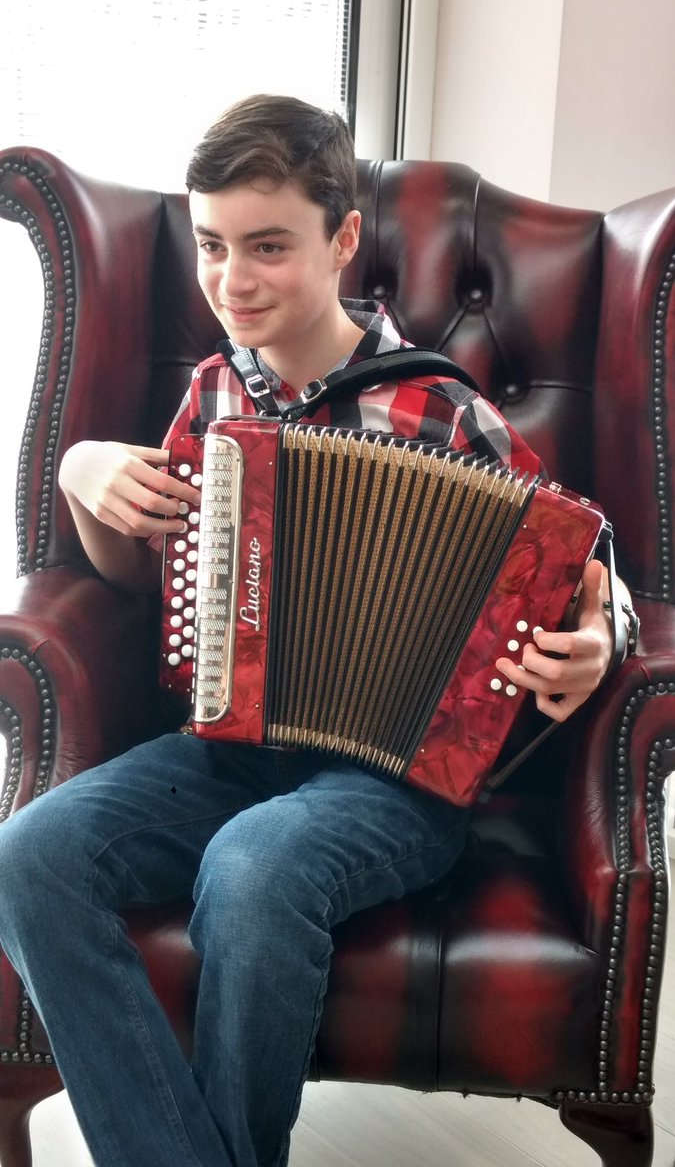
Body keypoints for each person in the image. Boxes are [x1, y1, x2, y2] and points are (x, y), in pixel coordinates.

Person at [0, 95, 633, 1167]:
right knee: (26, 858)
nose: (232, 281)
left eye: (268, 247)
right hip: (223, 752)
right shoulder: (210, 397)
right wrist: (81, 474)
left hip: (395, 783)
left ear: (343, 240)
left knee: (255, 868)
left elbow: (582, 549)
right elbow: (131, 565)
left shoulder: (439, 408)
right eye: (211, 246)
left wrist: (605, 631)